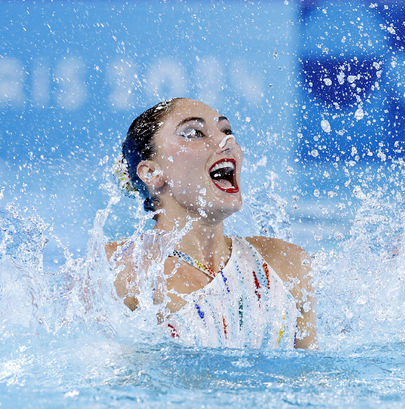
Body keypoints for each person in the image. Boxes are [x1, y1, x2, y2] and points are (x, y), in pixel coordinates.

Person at [106, 98, 316, 349]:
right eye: (194, 133)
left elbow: (311, 379)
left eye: (226, 131)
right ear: (151, 173)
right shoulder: (120, 269)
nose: (226, 142)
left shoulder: (287, 264)